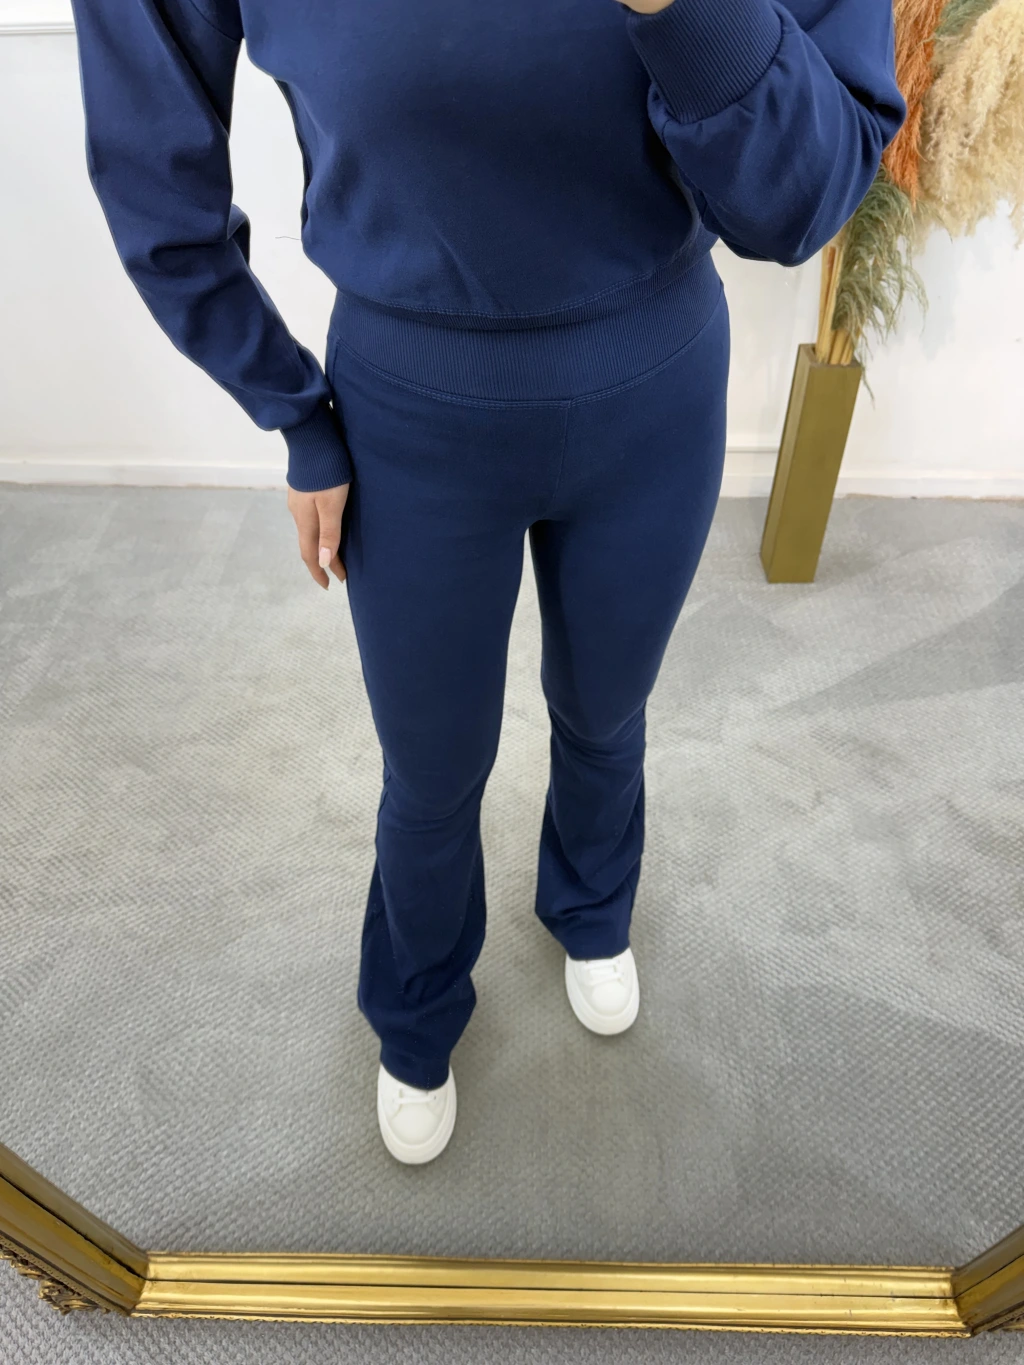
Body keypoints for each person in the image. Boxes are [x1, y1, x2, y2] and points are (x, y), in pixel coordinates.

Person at [69, 0, 905, 1164]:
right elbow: (153, 170)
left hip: (652, 383)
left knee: (607, 707)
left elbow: (807, 195)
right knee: (430, 763)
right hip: (409, 412)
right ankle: (415, 1005)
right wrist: (290, 410)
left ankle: (592, 904)